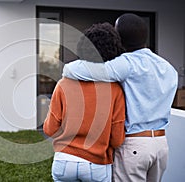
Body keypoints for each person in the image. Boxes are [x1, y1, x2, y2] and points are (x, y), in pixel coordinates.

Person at [62, 13, 178, 182]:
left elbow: (72, 70)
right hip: (161, 145)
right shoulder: (168, 68)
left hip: (135, 146)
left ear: (120, 38)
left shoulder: (127, 64)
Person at [43, 22, 126, 182]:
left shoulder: (63, 84)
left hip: (64, 161)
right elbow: (117, 140)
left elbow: (50, 129)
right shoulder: (115, 90)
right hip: (97, 165)